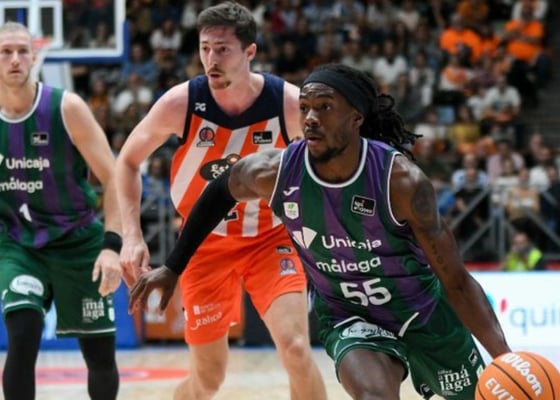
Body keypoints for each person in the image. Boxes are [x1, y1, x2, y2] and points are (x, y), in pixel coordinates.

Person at [129, 63, 511, 399]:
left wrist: (506, 361)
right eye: (305, 107)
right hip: (349, 315)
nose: (310, 118)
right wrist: (173, 266)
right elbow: (219, 191)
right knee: (374, 395)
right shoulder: (276, 172)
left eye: (324, 107)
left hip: (420, 310)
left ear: (356, 118)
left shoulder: (401, 182)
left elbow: (457, 282)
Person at [115, 3, 326, 400]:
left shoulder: (289, 103)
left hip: (270, 238)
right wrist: (131, 235)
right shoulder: (181, 103)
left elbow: (335, 160)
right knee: (208, 380)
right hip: (202, 245)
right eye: (205, 48)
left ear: (250, 52)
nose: (211, 59)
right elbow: (127, 161)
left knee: (297, 349)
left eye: (223, 49)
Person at [0, 22, 122, 400]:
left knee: (99, 357)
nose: (15, 59)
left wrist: (112, 247)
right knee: (23, 335)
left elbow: (114, 177)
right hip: (19, 244)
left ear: (35, 56)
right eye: (5, 52)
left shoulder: (66, 107)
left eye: (22, 51)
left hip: (78, 242)